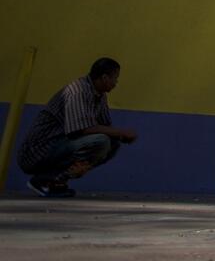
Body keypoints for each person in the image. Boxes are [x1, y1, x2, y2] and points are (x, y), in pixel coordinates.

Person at [18, 57, 137, 197]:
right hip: (38, 151)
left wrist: (120, 136)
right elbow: (81, 130)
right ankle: (43, 180)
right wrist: (120, 131)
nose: (116, 83)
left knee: (112, 144)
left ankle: (57, 182)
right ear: (105, 78)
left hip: (59, 146)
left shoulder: (100, 95)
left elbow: (105, 127)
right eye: (115, 78)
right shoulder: (78, 92)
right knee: (100, 142)